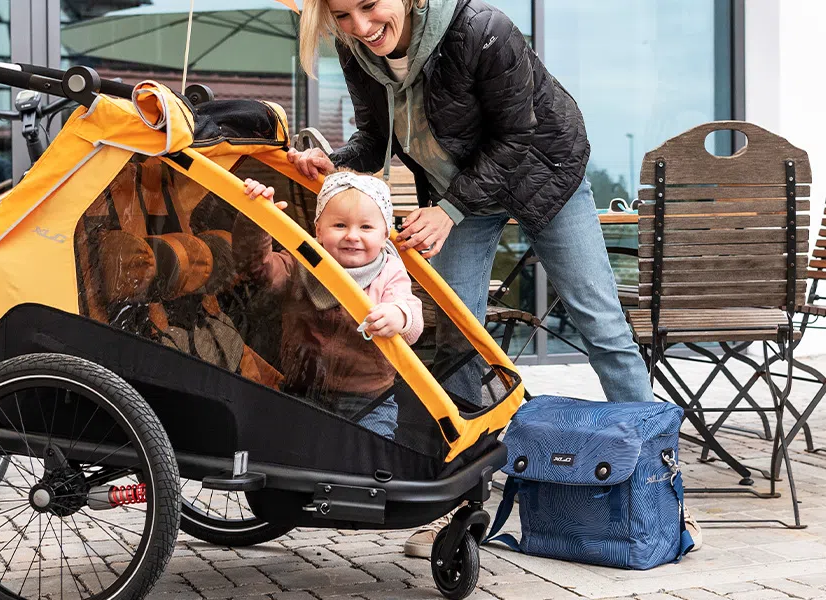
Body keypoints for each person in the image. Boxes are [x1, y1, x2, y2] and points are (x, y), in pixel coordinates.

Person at [289, 0, 700, 558]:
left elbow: (516, 132)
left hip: (543, 170)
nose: (360, 26)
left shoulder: (481, 28)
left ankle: (664, 492)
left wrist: (448, 210)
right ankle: (454, 504)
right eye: (342, 14)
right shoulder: (358, 48)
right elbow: (375, 137)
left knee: (600, 324)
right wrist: (332, 163)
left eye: (369, 5)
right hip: (460, 192)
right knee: (456, 338)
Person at [233, 170, 424, 439]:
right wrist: (256, 222)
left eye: (366, 227)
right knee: (299, 455)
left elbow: (412, 315)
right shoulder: (303, 261)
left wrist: (399, 315)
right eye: (340, 226)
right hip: (302, 391)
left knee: (371, 458)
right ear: (318, 230)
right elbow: (257, 270)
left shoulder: (388, 272)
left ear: (384, 236)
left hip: (369, 399)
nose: (352, 236)